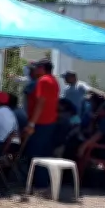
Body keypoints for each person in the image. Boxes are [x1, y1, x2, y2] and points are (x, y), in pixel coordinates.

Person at [24, 59, 60, 187]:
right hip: (50, 121)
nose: (35, 70)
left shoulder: (43, 81)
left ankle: (38, 182)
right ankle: (43, 181)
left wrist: (31, 123)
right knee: (45, 153)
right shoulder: (54, 80)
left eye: (38, 67)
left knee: (35, 153)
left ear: (42, 68)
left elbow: (41, 103)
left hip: (40, 122)